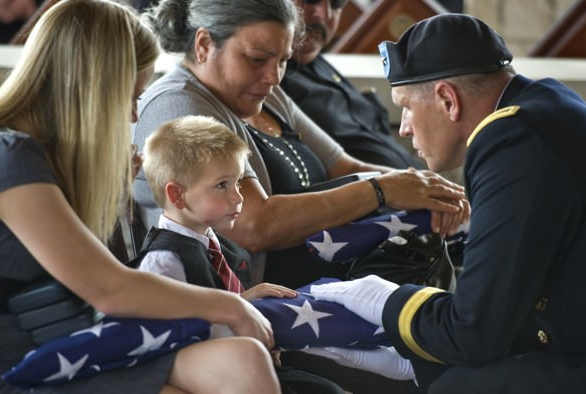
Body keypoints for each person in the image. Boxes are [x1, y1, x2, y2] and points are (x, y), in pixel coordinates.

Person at [0, 1, 281, 393]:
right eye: (130, 97)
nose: (132, 116)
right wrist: (230, 305)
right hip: (14, 362)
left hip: (62, 344)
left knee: (242, 359)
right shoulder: (8, 157)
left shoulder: (39, 157)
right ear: (93, 89)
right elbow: (109, 288)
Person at [310, 13, 586, 394]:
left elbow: (475, 331)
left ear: (447, 99)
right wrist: (422, 364)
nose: (404, 127)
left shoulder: (512, 140)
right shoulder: (545, 106)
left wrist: (387, 302)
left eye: (406, 106)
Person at [133, 0, 469, 292]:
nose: (274, 76)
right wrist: (383, 190)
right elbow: (252, 226)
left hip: (333, 277)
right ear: (204, 44)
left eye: (282, 61)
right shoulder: (177, 105)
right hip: (258, 300)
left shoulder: (267, 95)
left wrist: (427, 189)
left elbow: (345, 167)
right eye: (256, 58)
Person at [136, 114, 359, 394]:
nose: (238, 197)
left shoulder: (216, 243)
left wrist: (246, 303)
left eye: (238, 183)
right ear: (178, 195)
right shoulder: (163, 261)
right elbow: (173, 341)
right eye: (222, 185)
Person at [281, 0, 421, 169]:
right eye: (311, 0)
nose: (325, 15)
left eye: (336, 4)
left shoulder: (320, 64)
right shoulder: (271, 84)